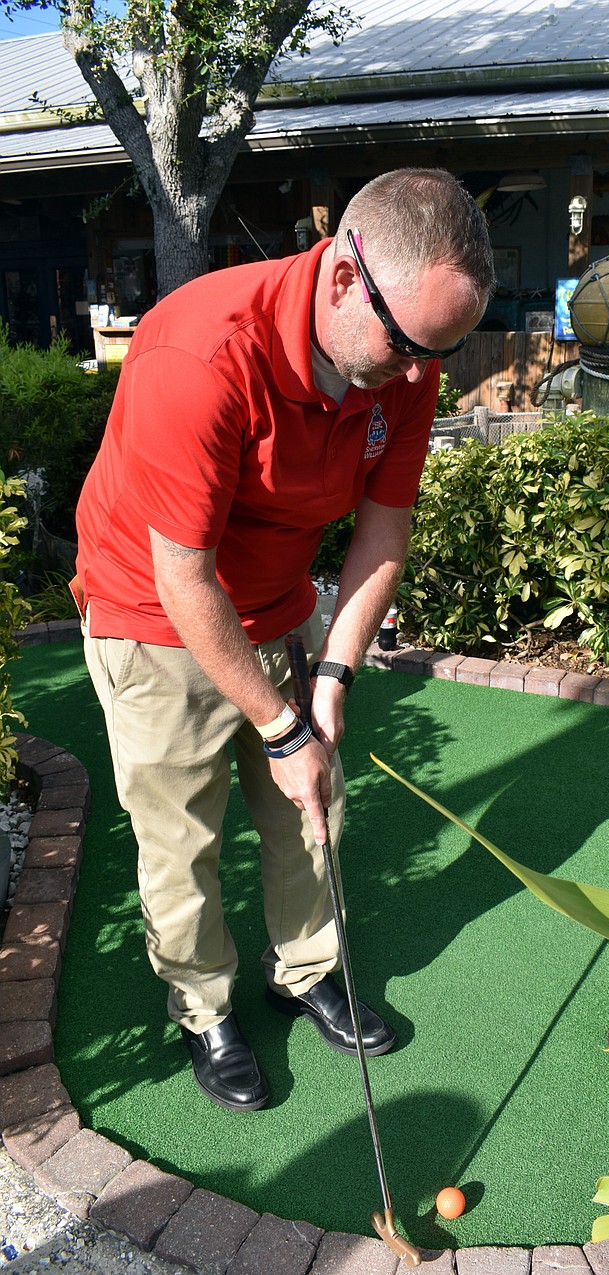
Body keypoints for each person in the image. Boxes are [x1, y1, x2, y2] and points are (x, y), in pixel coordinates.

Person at [73, 167, 494, 1112]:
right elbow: (185, 578)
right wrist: (279, 725)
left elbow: (385, 528)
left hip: (277, 603)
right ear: (344, 275)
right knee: (181, 835)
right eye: (410, 346)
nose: (421, 374)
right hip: (154, 617)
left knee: (313, 807)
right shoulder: (199, 353)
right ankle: (204, 1006)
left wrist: (333, 673)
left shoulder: (404, 356)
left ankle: (304, 970)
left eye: (442, 351)